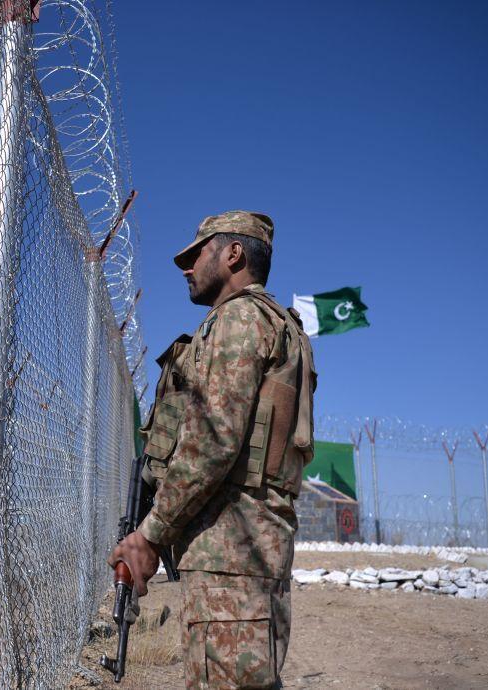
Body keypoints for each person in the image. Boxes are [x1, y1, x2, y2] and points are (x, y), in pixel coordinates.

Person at [108, 210, 316, 689]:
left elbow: (211, 442)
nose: (185, 266)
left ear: (233, 254)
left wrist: (151, 535)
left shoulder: (240, 318)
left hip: (231, 550)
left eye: (196, 253)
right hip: (248, 550)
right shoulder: (279, 326)